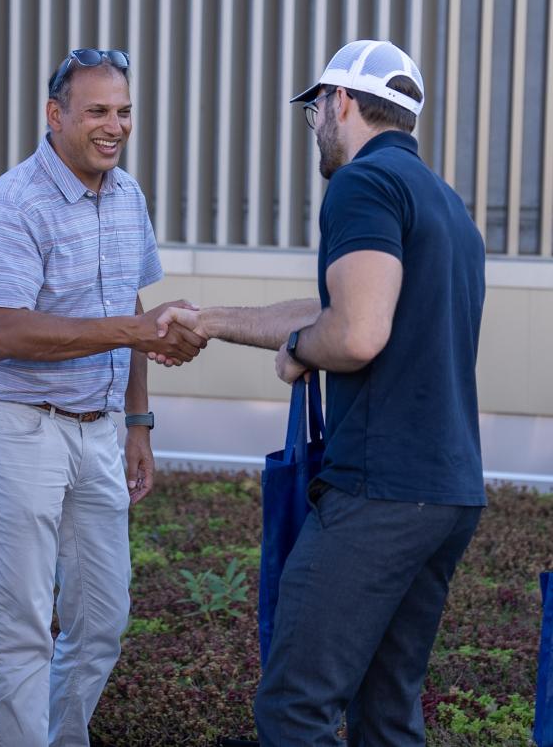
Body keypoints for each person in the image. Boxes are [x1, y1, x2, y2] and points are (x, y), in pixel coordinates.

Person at [157, 40, 486, 745]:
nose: (315, 128)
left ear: (338, 102)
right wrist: (208, 322)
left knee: (294, 708)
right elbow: (337, 307)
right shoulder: (445, 205)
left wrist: (299, 355)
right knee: (386, 715)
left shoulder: (361, 185)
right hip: (446, 491)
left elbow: (356, 332)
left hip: (379, 492)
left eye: (315, 111)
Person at [0, 48, 206, 746]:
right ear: (55, 115)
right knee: (20, 629)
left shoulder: (128, 197)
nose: (115, 126)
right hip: (16, 428)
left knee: (101, 618)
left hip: (99, 431)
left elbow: (132, 305)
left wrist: (138, 424)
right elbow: (5, 332)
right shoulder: (13, 203)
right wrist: (135, 329)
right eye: (98, 111)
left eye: (124, 111)